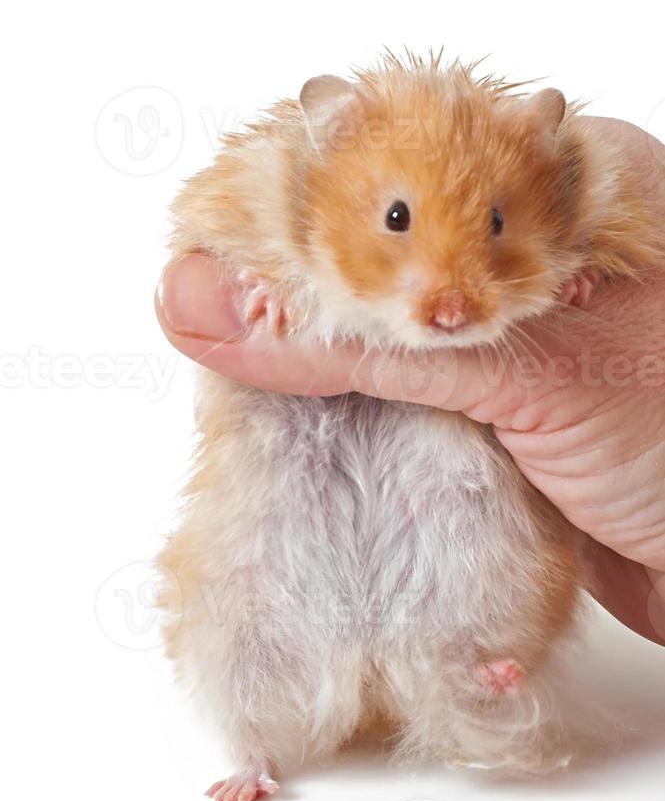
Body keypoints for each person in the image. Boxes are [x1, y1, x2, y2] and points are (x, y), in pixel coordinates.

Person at [156, 117, 665, 646]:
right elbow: (205, 220)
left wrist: (582, 264)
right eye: (398, 219)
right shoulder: (275, 177)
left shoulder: (568, 186)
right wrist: (257, 274)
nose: (450, 310)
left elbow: (615, 227)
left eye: (493, 222)